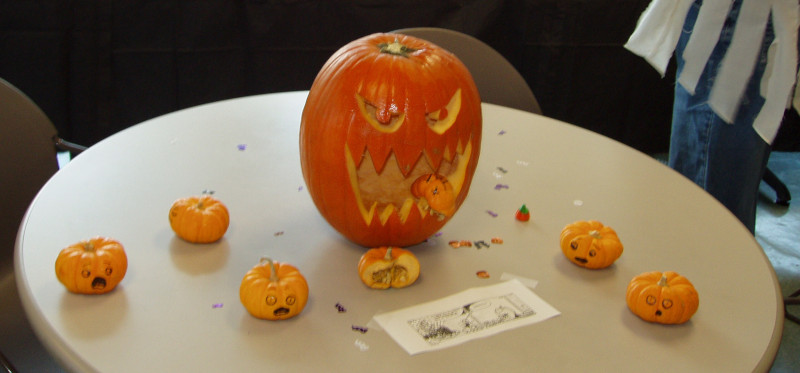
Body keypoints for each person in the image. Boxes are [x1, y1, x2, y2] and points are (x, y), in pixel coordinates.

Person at [625, 0, 800, 234]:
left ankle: (705, 265)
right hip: (731, 15)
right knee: (703, 194)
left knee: (710, 212)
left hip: (741, 17)